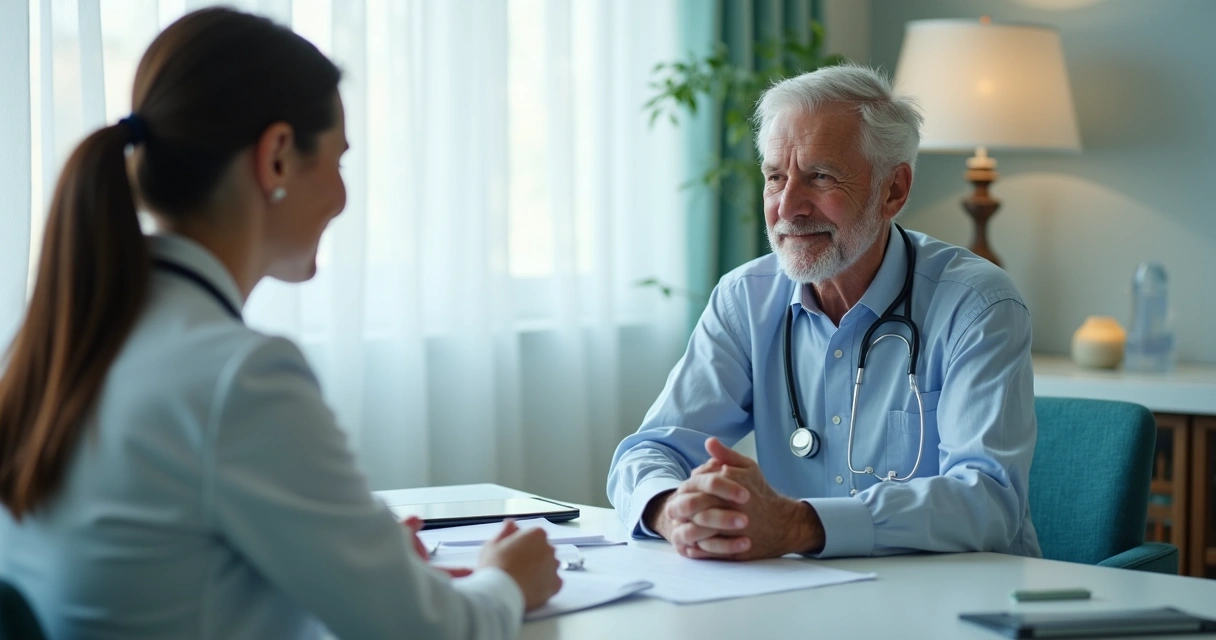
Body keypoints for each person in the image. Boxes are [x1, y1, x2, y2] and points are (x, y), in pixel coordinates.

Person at [0, 8, 560, 639]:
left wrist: (359, 567)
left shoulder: (53, 346)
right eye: (339, 162)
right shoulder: (239, 377)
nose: (344, 199)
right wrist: (508, 580)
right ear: (277, 158)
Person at [607, 64, 1041, 561]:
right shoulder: (745, 298)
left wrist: (798, 525)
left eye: (820, 176)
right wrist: (672, 509)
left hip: (963, 600)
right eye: (775, 177)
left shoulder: (977, 304)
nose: (788, 207)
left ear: (893, 190)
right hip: (807, 596)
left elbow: (987, 501)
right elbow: (648, 451)